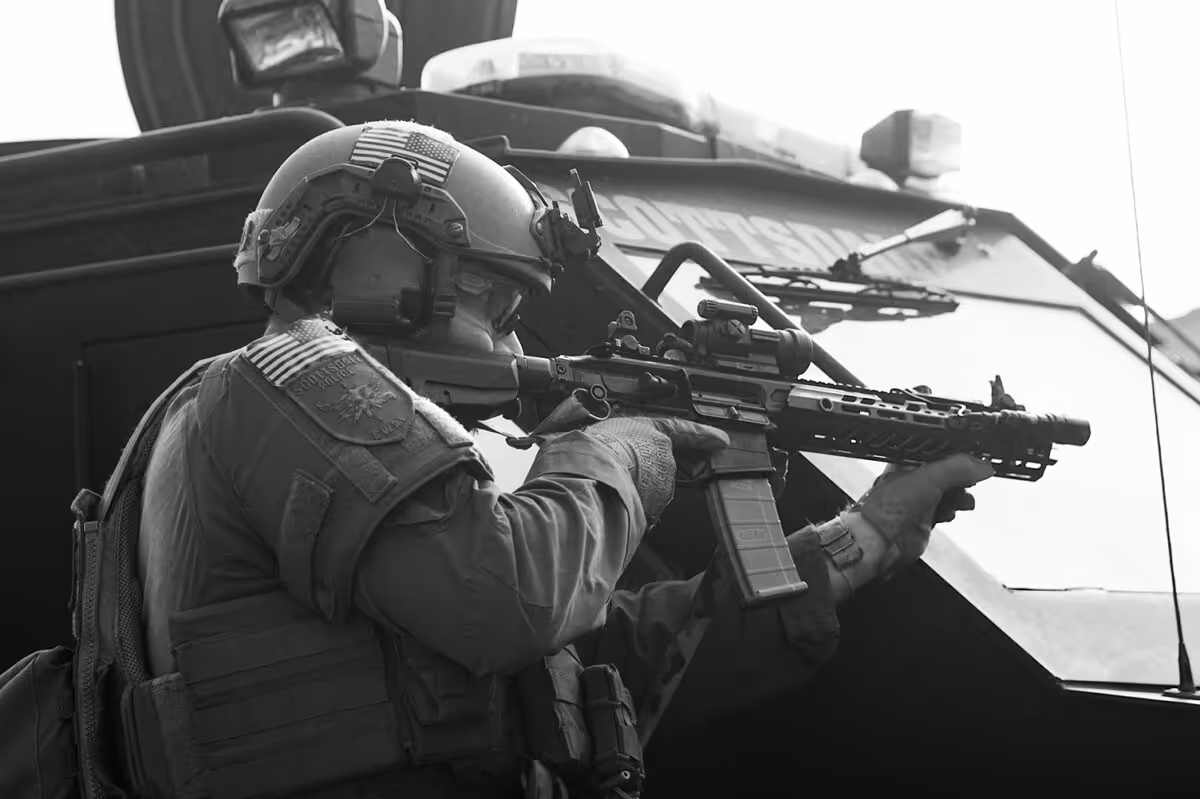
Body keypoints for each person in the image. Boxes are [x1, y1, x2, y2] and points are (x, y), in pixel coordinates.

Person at [123, 120, 993, 799]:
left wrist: (866, 532)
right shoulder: (281, 378)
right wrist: (614, 454)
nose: (512, 341)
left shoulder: (355, 451)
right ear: (385, 270)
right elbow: (503, 599)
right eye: (499, 302)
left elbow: (590, 665)